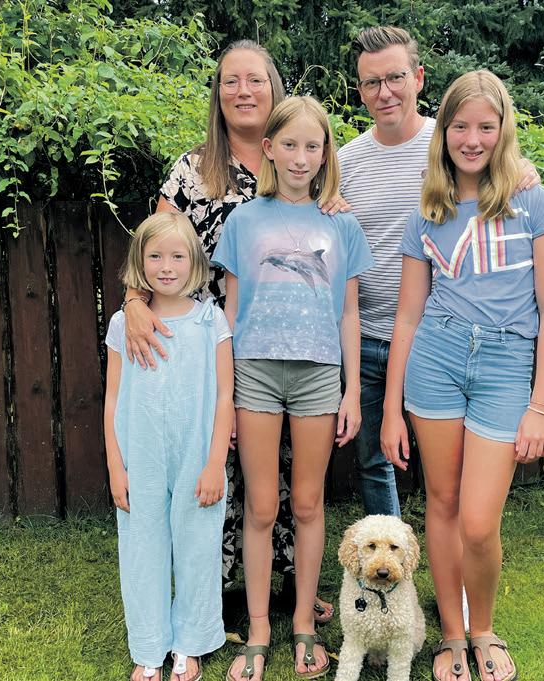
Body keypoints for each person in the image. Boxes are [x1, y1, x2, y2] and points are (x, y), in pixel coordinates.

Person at [121, 40, 337, 624]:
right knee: (214, 457)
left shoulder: (299, 160)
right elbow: (154, 245)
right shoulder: (194, 169)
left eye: (255, 80)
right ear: (217, 94)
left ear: (275, 88)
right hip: (205, 342)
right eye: (230, 81)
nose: (243, 91)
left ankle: (290, 585)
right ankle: (209, 590)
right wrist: (134, 300)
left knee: (287, 471)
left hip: (289, 341)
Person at [381, 70, 544, 681]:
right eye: (460, 126)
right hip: (435, 361)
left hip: (505, 366)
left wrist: (541, 406)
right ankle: (452, 636)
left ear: (503, 130)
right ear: (443, 132)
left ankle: (483, 627)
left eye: (486, 127)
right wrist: (390, 409)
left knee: (479, 521)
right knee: (441, 502)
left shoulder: (534, 203)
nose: (472, 139)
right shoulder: (427, 210)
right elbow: (407, 316)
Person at [338, 26, 540, 520]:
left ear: (419, 78)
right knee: (374, 461)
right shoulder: (345, 162)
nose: (384, 92)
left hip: (437, 338)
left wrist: (524, 168)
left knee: (451, 480)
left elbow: (502, 171)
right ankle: (392, 563)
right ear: (360, 91)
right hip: (366, 334)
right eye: (371, 82)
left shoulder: (453, 141)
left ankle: (459, 554)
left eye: (395, 77)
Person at [216, 96, 373, 681]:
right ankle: (259, 628)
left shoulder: (342, 224)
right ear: (270, 150)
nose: (300, 157)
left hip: (318, 375)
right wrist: (225, 394)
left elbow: (350, 314)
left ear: (325, 152)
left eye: (312, 146)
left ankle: (304, 621)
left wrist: (351, 392)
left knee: (307, 503)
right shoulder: (243, 220)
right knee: (261, 505)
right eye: (289, 145)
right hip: (255, 371)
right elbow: (231, 312)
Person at [104, 212, 235, 681]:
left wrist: (215, 463)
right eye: (155, 256)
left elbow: (224, 396)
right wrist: (116, 467)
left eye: (177, 256)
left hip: (196, 456)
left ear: (195, 263)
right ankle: (148, 647)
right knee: (142, 549)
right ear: (139, 263)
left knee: (197, 547)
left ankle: (189, 644)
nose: (166, 266)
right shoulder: (123, 323)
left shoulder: (210, 321)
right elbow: (112, 399)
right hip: (140, 456)